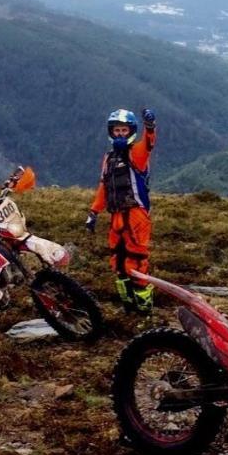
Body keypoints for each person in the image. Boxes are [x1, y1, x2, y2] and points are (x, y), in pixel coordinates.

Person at [86, 107, 157, 314]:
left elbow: (149, 144)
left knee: (136, 259)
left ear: (131, 131)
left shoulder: (137, 154)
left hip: (136, 215)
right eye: (116, 130)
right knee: (117, 260)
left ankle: (144, 309)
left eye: (124, 130)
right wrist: (93, 212)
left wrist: (150, 127)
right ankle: (128, 305)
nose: (119, 134)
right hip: (116, 215)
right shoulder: (108, 159)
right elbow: (103, 187)